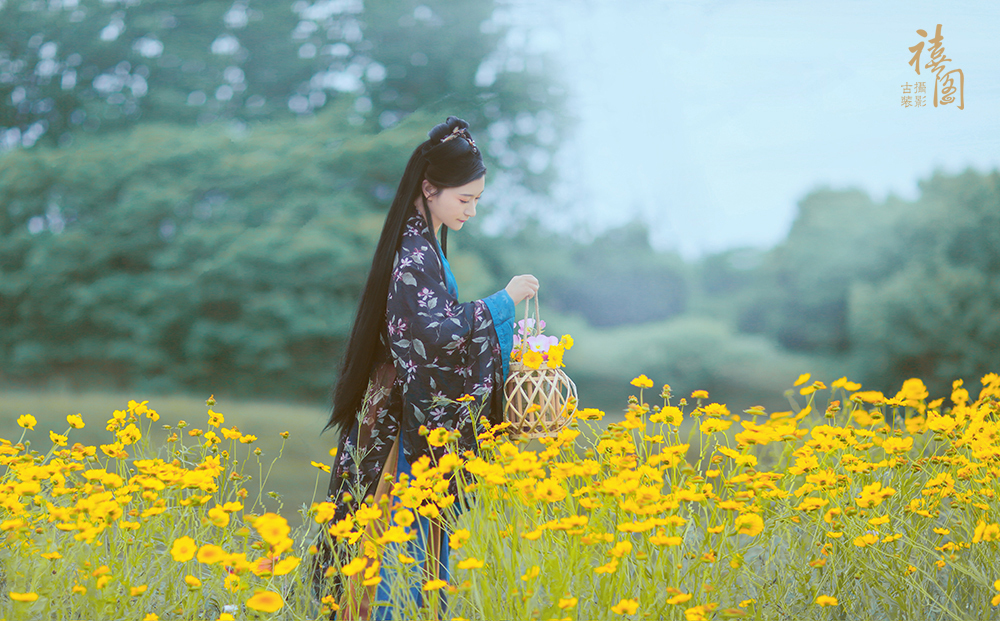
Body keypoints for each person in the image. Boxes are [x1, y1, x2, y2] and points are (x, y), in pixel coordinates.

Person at [311, 116, 539, 620]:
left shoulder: (426, 243)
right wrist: (504, 303)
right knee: (397, 534)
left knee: (404, 533)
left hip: (402, 412)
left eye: (477, 200)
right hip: (402, 424)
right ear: (429, 188)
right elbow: (433, 336)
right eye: (465, 200)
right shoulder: (413, 254)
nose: (472, 211)